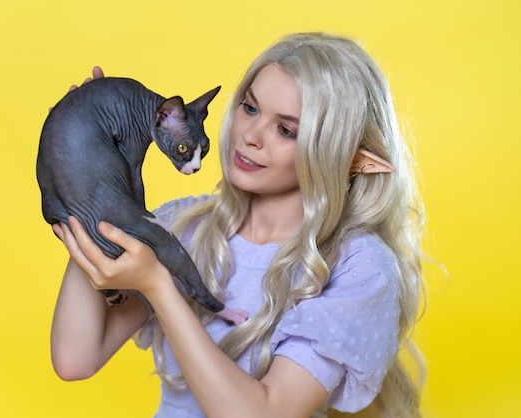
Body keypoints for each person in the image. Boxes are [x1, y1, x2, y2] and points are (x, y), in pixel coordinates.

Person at [49, 32, 426, 418]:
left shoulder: (358, 266)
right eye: (249, 108)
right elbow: (75, 359)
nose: (250, 136)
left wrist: (159, 287)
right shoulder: (184, 226)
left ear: (336, 150)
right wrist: (87, 183)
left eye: (285, 129)